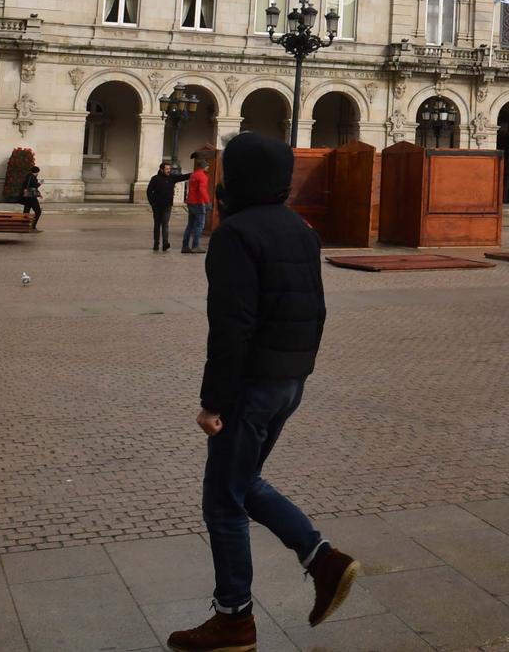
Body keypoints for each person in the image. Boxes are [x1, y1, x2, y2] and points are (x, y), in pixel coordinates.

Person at [165, 132, 356, 652]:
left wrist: (213, 402)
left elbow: (231, 327)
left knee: (222, 502)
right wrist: (298, 373)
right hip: (288, 381)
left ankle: (234, 621)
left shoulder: (237, 234)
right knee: (241, 481)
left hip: (250, 387)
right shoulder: (301, 229)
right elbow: (316, 311)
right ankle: (322, 560)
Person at [145, 159, 189, 252]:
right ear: (161, 169)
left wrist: (195, 173)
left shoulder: (172, 177)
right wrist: (152, 203)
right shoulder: (155, 178)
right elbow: (149, 191)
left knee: (165, 224)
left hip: (167, 205)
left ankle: (165, 243)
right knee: (157, 224)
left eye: (169, 169)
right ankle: (156, 243)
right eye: (167, 169)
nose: (169, 170)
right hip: (157, 206)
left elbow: (183, 177)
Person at [180, 155, 213, 254]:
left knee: (190, 225)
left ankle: (185, 246)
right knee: (199, 225)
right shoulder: (203, 176)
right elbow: (202, 190)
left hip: (191, 202)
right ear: (204, 166)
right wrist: (207, 201)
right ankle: (195, 246)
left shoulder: (193, 175)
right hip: (198, 203)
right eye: (207, 166)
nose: (208, 167)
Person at [19, 164, 42, 230]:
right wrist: (40, 183)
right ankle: (33, 226)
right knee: (38, 211)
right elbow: (34, 186)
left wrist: (38, 194)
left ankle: (24, 225)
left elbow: (29, 186)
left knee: (26, 211)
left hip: (26, 196)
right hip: (31, 197)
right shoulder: (33, 177)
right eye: (38, 172)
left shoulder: (28, 176)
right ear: (36, 172)